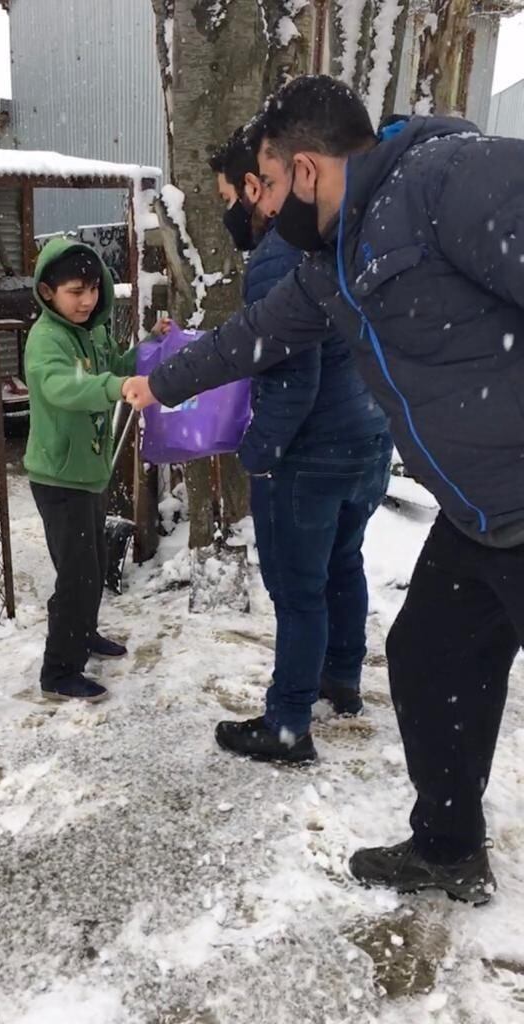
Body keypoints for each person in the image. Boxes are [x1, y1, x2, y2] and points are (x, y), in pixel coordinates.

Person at [125, 75, 524, 906]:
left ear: (304, 170)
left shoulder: (451, 177)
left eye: (265, 185)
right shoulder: (332, 264)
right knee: (427, 657)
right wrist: (161, 387)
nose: (259, 206)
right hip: (477, 518)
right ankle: (448, 847)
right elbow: (252, 338)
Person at [208, 127, 391, 765]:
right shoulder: (342, 233)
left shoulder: (279, 257)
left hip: (311, 454)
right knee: (344, 564)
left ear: (258, 189)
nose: (230, 209)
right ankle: (340, 681)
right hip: (367, 437)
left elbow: (293, 375)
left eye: (229, 195)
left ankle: (287, 724)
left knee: (298, 590)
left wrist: (259, 452)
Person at [24, 238, 136, 703]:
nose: (87, 299)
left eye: (92, 288)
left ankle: (83, 635)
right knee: (76, 578)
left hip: (88, 473)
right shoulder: (46, 340)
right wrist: (117, 385)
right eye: (75, 291)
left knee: (95, 567)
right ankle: (59, 670)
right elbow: (64, 388)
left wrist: (147, 352)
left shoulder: (92, 330)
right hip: (58, 478)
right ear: (48, 292)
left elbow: (111, 368)